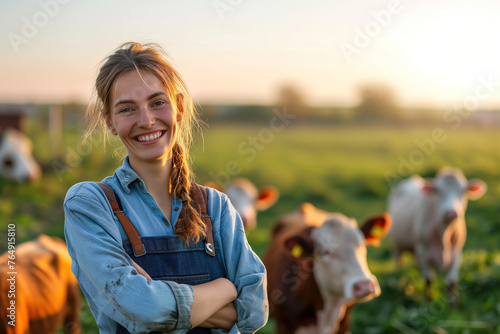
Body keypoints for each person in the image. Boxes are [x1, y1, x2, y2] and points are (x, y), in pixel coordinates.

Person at [64, 42, 268, 334]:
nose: (146, 121)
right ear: (109, 122)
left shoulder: (217, 206)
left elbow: (254, 309)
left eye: (157, 102)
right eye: (127, 109)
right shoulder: (89, 203)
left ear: (179, 107)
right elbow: (143, 310)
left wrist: (156, 294)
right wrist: (224, 289)